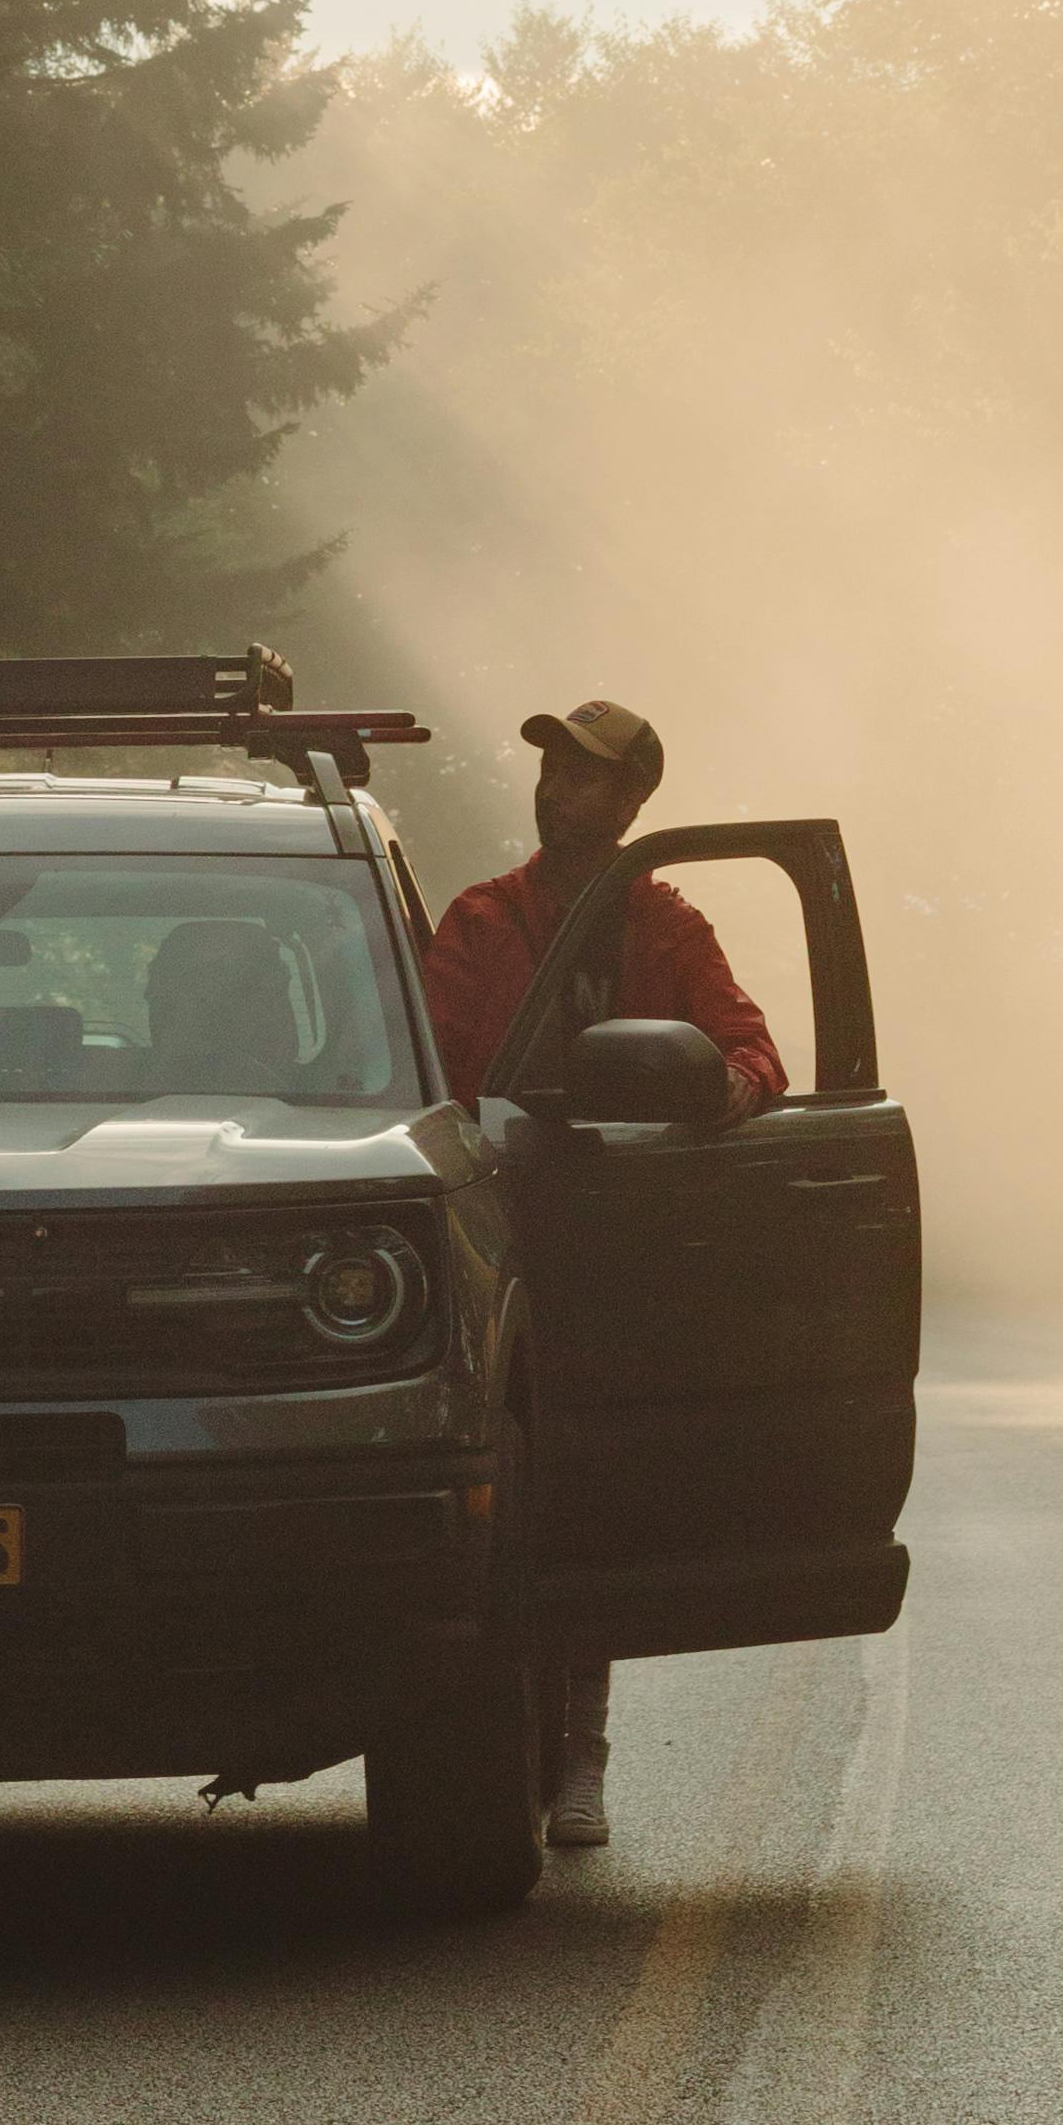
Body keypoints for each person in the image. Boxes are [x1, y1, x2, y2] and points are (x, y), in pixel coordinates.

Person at [417, 698, 788, 1854]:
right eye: (551, 768)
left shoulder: (668, 929)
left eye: (585, 775)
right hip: (487, 1223)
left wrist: (713, 1092)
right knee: (491, 1488)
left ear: (634, 801)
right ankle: (481, 1733)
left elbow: (753, 1053)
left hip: (613, 1237)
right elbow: (420, 1063)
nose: (557, 787)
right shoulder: (482, 920)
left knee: (583, 1484)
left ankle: (581, 1747)